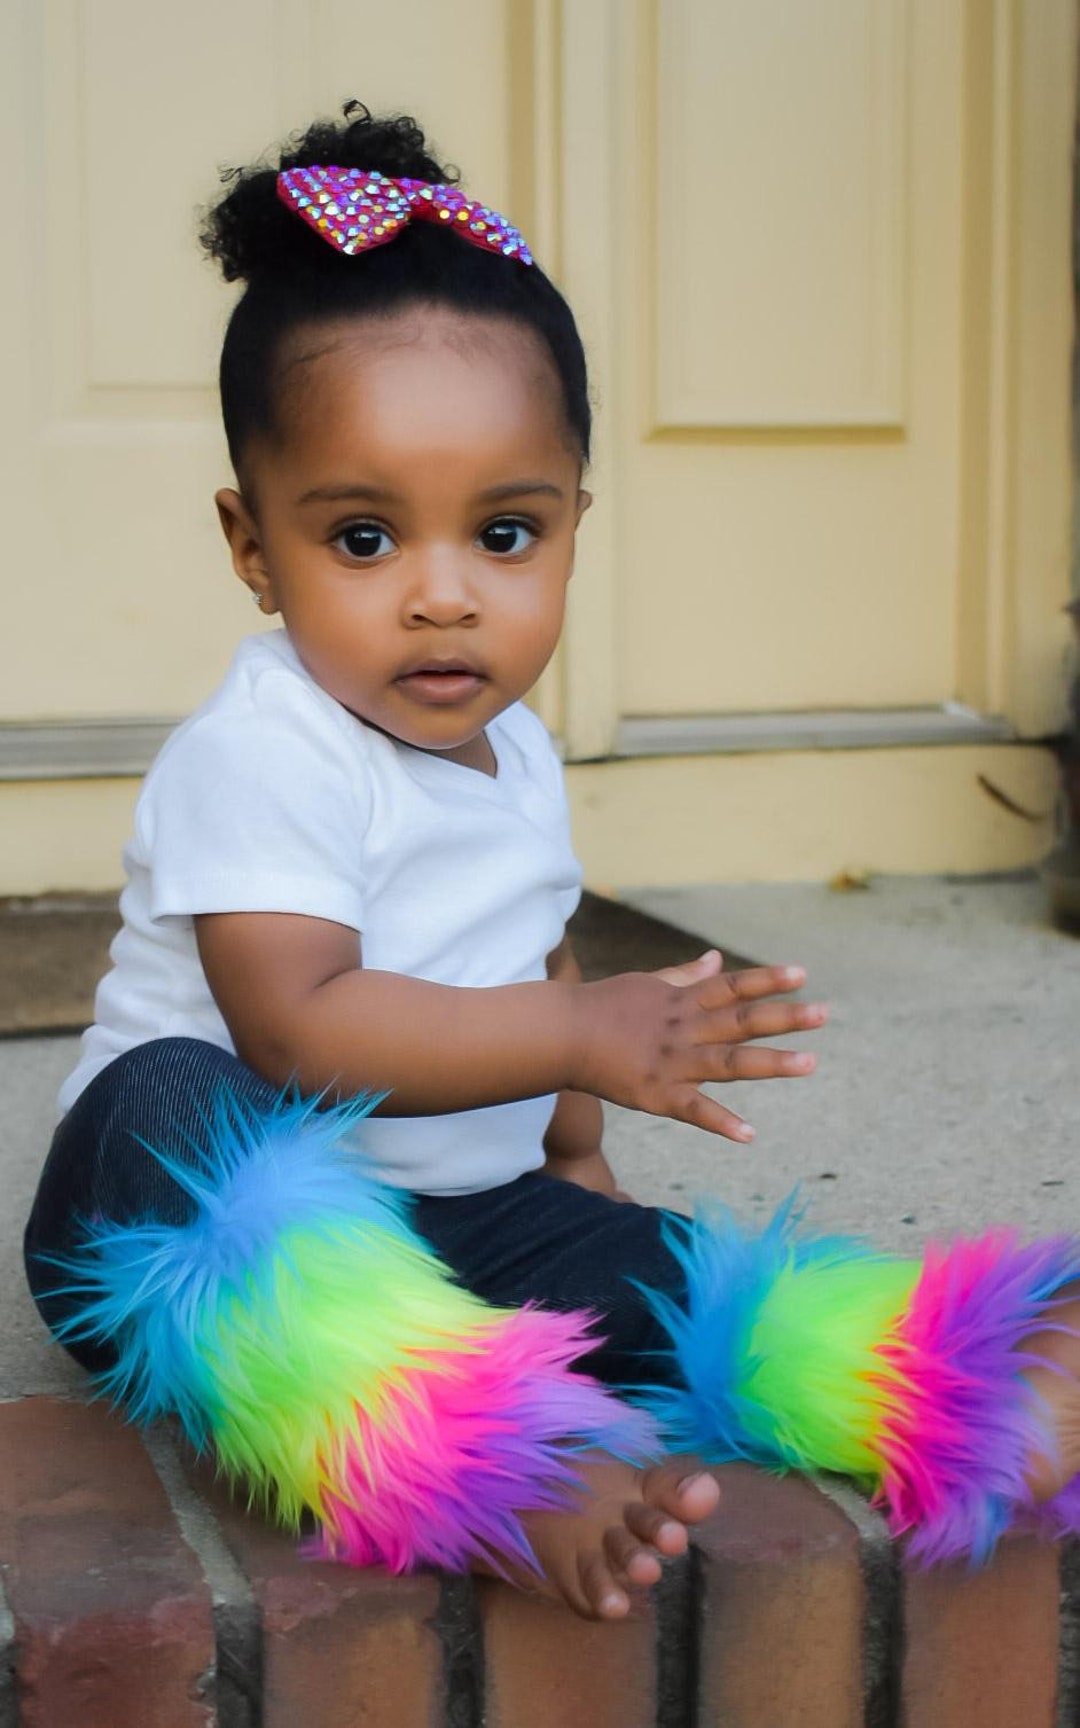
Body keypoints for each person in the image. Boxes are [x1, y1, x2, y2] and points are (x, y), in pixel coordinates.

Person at [24, 104, 1080, 1621]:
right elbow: (298, 1025)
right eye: (367, 539)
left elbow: (525, 951)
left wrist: (572, 1146)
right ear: (252, 545)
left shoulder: (511, 747)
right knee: (166, 1102)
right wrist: (579, 1033)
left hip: (443, 1222)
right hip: (190, 1232)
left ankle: (941, 1375)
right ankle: (491, 1467)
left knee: (664, 1277)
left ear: (576, 522)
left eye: (505, 535)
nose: (445, 599)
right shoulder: (261, 750)